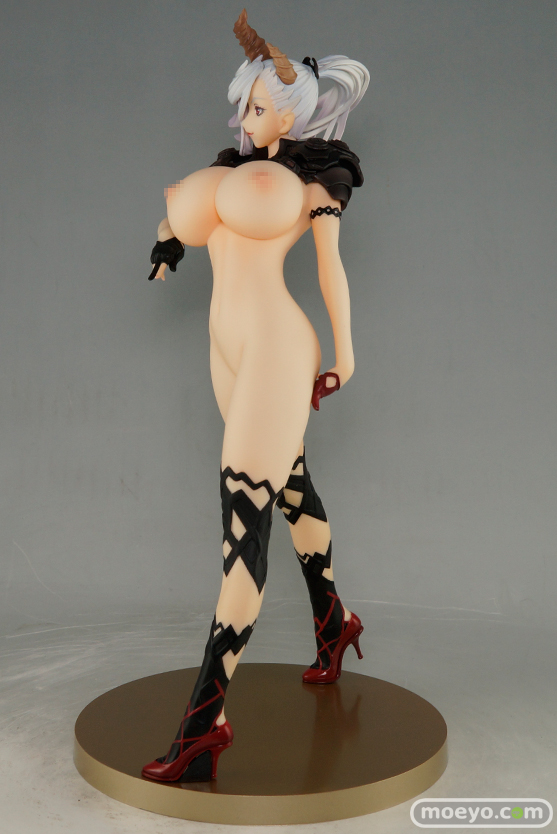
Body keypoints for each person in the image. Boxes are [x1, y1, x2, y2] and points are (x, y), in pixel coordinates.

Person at [142, 9, 369, 783]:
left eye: (261, 105)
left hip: (276, 346)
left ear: (293, 113)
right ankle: (335, 623)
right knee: (290, 484)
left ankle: (203, 722)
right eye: (243, 104)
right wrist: (167, 243)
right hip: (226, 349)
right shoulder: (234, 168)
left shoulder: (316, 179)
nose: (246, 116)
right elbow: (191, 221)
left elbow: (331, 266)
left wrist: (346, 353)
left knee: (244, 524)